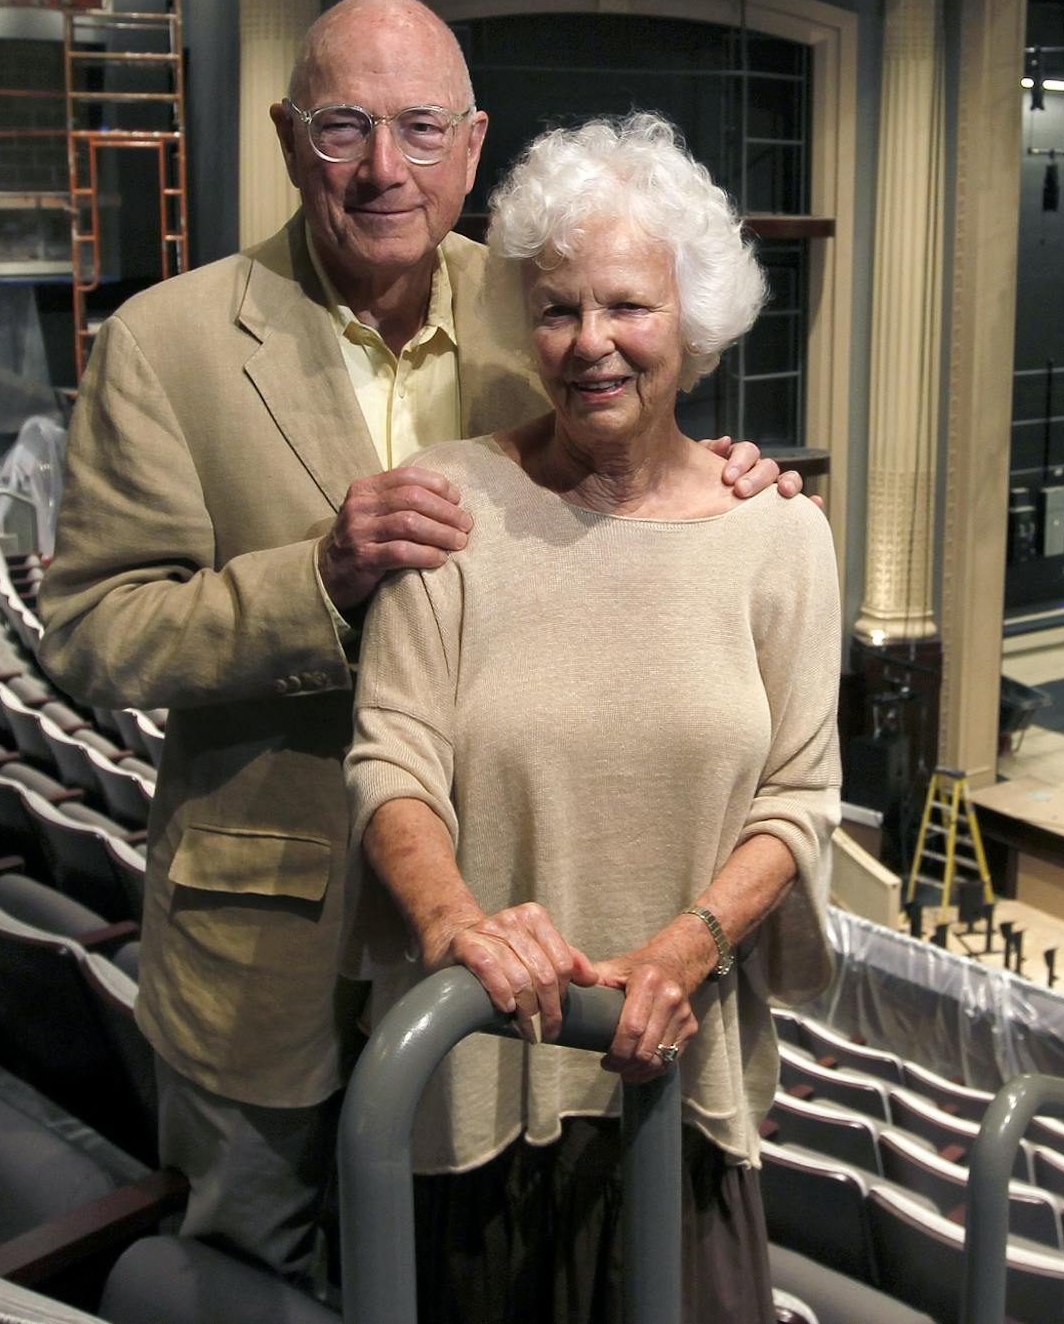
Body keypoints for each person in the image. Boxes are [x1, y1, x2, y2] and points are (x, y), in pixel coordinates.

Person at [35, 0, 800, 1285]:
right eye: (344, 127)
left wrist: (729, 478)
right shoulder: (163, 345)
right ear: (288, 139)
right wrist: (318, 578)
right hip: (274, 948)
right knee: (256, 1279)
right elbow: (92, 636)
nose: (384, 166)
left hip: (503, 943)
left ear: (472, 141)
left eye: (420, 126)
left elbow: (627, 466)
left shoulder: (536, 314)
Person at [344, 113, 840, 1324]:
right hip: (474, 1098)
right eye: (559, 307)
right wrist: (460, 924)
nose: (591, 343)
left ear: (695, 319)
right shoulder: (449, 505)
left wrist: (687, 946)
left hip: (684, 1102)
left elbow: (798, 799)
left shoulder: (780, 536)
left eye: (628, 305)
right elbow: (390, 755)